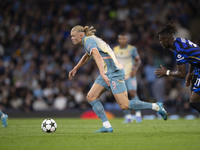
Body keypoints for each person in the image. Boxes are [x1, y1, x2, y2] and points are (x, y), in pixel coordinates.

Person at [69, 25, 167, 133]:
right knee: (91, 97)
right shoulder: (89, 41)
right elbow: (87, 56)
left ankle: (156, 106)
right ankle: (106, 126)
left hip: (114, 72)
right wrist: (76, 68)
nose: (72, 38)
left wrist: (101, 72)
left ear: (80, 35)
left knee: (125, 105)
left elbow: (96, 54)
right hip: (107, 72)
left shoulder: (88, 40)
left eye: (73, 36)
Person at [154, 23, 200, 114]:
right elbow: (193, 56)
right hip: (197, 69)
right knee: (195, 99)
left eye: (161, 40)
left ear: (166, 40)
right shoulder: (180, 41)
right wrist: (190, 73)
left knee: (194, 102)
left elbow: (181, 74)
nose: (160, 42)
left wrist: (167, 72)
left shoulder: (179, 50)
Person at [113, 33, 142, 123]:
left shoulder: (132, 49)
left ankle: (138, 115)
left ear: (127, 40)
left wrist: (135, 70)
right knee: (122, 96)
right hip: (119, 76)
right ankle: (128, 117)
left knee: (133, 93)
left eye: (124, 39)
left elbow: (138, 61)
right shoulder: (115, 50)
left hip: (130, 75)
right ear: (118, 40)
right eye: (120, 39)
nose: (122, 40)